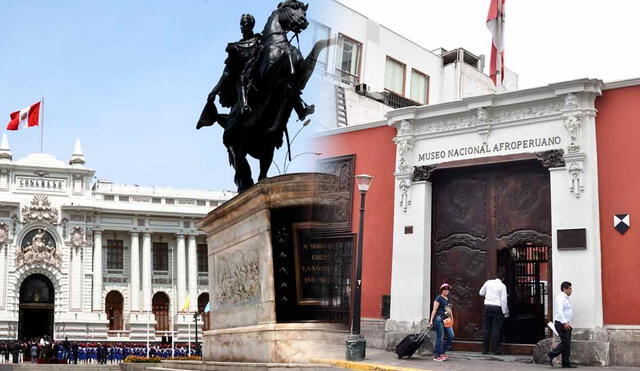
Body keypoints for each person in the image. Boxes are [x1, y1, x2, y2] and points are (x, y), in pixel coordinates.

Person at [479, 269, 510, 354]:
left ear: (496, 276)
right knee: (496, 329)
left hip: (487, 306)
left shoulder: (488, 282)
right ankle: (496, 349)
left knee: (486, 328)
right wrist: (505, 312)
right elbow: (504, 300)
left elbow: (481, 293)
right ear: (503, 278)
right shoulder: (502, 286)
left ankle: (484, 349)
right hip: (497, 308)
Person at [548, 281, 576, 368]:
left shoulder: (565, 298)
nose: (571, 290)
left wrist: (568, 323)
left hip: (565, 323)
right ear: (564, 289)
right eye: (570, 288)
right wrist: (564, 322)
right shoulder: (561, 297)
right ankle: (552, 354)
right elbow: (560, 311)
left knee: (567, 344)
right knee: (565, 343)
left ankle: (566, 363)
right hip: (561, 323)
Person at [428, 283, 455, 362]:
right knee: (440, 337)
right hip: (439, 319)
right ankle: (437, 355)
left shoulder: (449, 299)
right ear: (441, 290)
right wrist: (431, 320)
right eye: (444, 289)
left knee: (451, 335)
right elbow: (434, 310)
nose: (446, 290)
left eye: (447, 289)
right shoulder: (439, 298)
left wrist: (452, 318)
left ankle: (442, 352)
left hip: (447, 320)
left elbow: (449, 310)